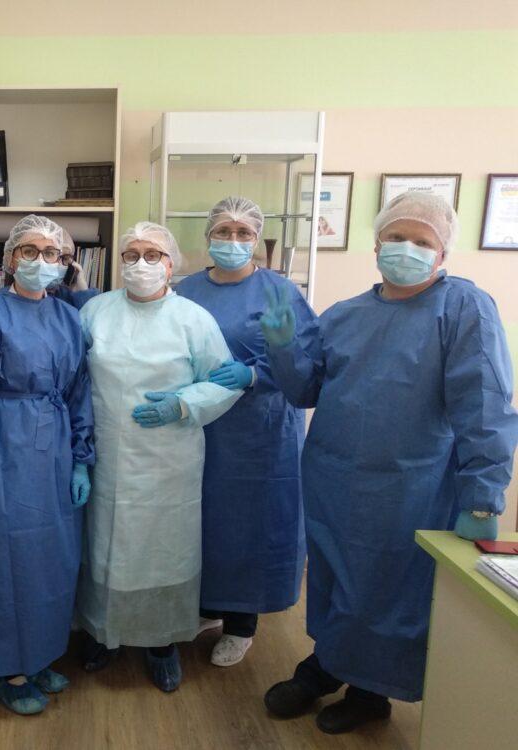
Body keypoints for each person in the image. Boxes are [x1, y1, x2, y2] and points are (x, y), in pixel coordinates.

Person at [260, 192, 518, 734]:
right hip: (333, 477)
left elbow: (485, 406)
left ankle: (369, 691)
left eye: (422, 241)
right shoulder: (345, 314)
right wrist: (283, 347)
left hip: (411, 484)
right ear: (376, 245)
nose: (407, 248)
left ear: (442, 253)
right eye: (396, 237)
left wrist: (483, 495)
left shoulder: (462, 308)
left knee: (387, 589)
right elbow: (305, 390)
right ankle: (328, 664)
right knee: (335, 581)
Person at [76, 221, 242, 692]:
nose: (141, 264)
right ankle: (102, 634)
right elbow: (72, 378)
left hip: (169, 460)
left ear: (171, 265)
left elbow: (224, 381)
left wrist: (184, 404)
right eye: (131, 255)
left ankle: (162, 644)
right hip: (105, 455)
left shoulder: (193, 319)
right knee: (104, 546)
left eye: (153, 255)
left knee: (164, 551)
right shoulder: (95, 313)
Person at [0, 215, 94, 715]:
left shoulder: (69, 319)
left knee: (52, 559)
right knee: (4, 560)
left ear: (63, 263)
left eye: (51, 253)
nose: (40, 261)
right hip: (3, 443)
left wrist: (82, 460)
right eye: (29, 251)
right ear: (9, 260)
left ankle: (41, 654)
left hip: (55, 449)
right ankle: (5, 667)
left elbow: (80, 393)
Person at [175, 197, 318, 667]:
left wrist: (256, 373)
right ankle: (209, 606)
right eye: (223, 231)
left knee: (252, 524)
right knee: (204, 519)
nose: (233, 240)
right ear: (208, 236)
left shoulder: (279, 291)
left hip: (260, 431)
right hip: (202, 427)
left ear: (256, 239)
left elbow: (307, 362)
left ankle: (242, 622)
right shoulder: (187, 290)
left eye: (243, 233)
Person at [48, 227, 100, 309]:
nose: (59, 264)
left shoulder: (67, 296)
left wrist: (82, 292)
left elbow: (92, 315)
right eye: (51, 254)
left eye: (65, 258)